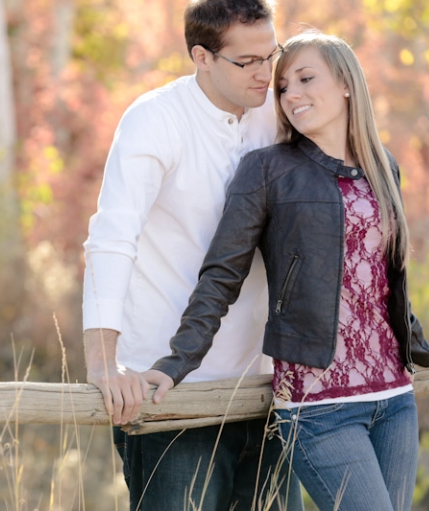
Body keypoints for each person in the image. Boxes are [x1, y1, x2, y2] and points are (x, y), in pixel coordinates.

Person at [145, 31, 429, 510]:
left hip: (395, 397)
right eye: (283, 87)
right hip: (318, 405)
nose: (290, 95)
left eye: (306, 79)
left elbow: (382, 273)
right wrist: (178, 360)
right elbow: (222, 275)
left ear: (347, 83)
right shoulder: (268, 169)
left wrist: (417, 342)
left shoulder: (382, 166)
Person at [82, 0, 303, 509]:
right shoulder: (153, 119)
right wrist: (103, 362)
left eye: (270, 55)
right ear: (201, 57)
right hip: (169, 392)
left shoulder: (280, 109)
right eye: (246, 62)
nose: (265, 73)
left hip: (268, 389)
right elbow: (112, 239)